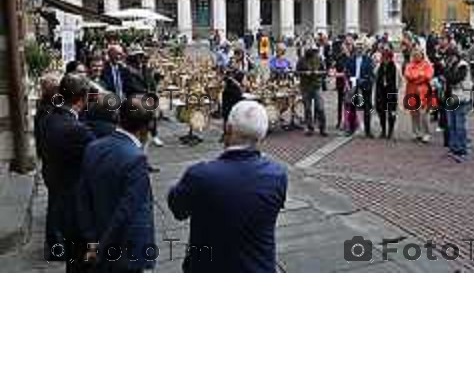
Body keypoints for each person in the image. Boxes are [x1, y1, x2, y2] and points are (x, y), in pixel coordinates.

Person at [168, 100, 288, 273]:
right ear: (262, 135)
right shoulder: (277, 175)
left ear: (228, 128)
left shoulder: (201, 175)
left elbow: (178, 210)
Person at [78, 97, 156, 273]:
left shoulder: (93, 147)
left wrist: (92, 239)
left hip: (97, 237)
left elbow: (82, 196)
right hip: (125, 250)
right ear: (146, 127)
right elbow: (126, 211)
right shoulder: (136, 158)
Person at [37, 74, 95, 271]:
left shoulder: (48, 117)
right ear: (83, 98)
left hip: (58, 190)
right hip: (76, 205)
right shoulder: (76, 130)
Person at [444, 45, 473, 162]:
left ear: (455, 56)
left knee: (460, 124)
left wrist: (447, 74)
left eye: (450, 57)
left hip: (461, 97)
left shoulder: (463, 66)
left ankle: (462, 148)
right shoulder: (451, 65)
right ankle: (453, 147)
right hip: (451, 97)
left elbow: (454, 79)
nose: (448, 59)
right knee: (451, 124)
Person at [345, 38, 375, 138]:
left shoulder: (368, 59)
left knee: (367, 109)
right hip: (354, 85)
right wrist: (351, 79)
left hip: (365, 85)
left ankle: (368, 130)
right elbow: (347, 71)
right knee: (352, 108)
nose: (359, 48)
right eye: (357, 46)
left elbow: (371, 74)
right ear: (355, 48)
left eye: (361, 46)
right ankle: (351, 128)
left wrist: (364, 79)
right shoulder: (350, 59)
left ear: (364, 48)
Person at [404, 47, 434, 142]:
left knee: (423, 113)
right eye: (414, 55)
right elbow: (408, 75)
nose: (416, 56)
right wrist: (420, 75)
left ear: (422, 55)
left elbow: (428, 76)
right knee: (414, 113)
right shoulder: (409, 65)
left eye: (418, 54)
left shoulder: (427, 65)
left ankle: (426, 133)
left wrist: (416, 77)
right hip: (411, 90)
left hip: (423, 91)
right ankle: (416, 133)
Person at [296, 47, 327, 136]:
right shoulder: (301, 60)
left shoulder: (318, 59)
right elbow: (297, 72)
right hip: (305, 87)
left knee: (320, 107)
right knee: (307, 109)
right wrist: (304, 73)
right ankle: (310, 128)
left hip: (316, 86)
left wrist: (318, 73)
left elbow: (324, 71)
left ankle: (322, 128)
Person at [375, 48, 400, 139]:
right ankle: (383, 130)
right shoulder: (379, 67)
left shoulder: (395, 67)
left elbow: (399, 80)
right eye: (384, 58)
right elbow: (376, 78)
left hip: (391, 91)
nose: (385, 60)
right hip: (381, 92)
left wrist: (396, 89)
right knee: (381, 111)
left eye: (387, 58)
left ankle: (390, 130)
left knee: (391, 112)